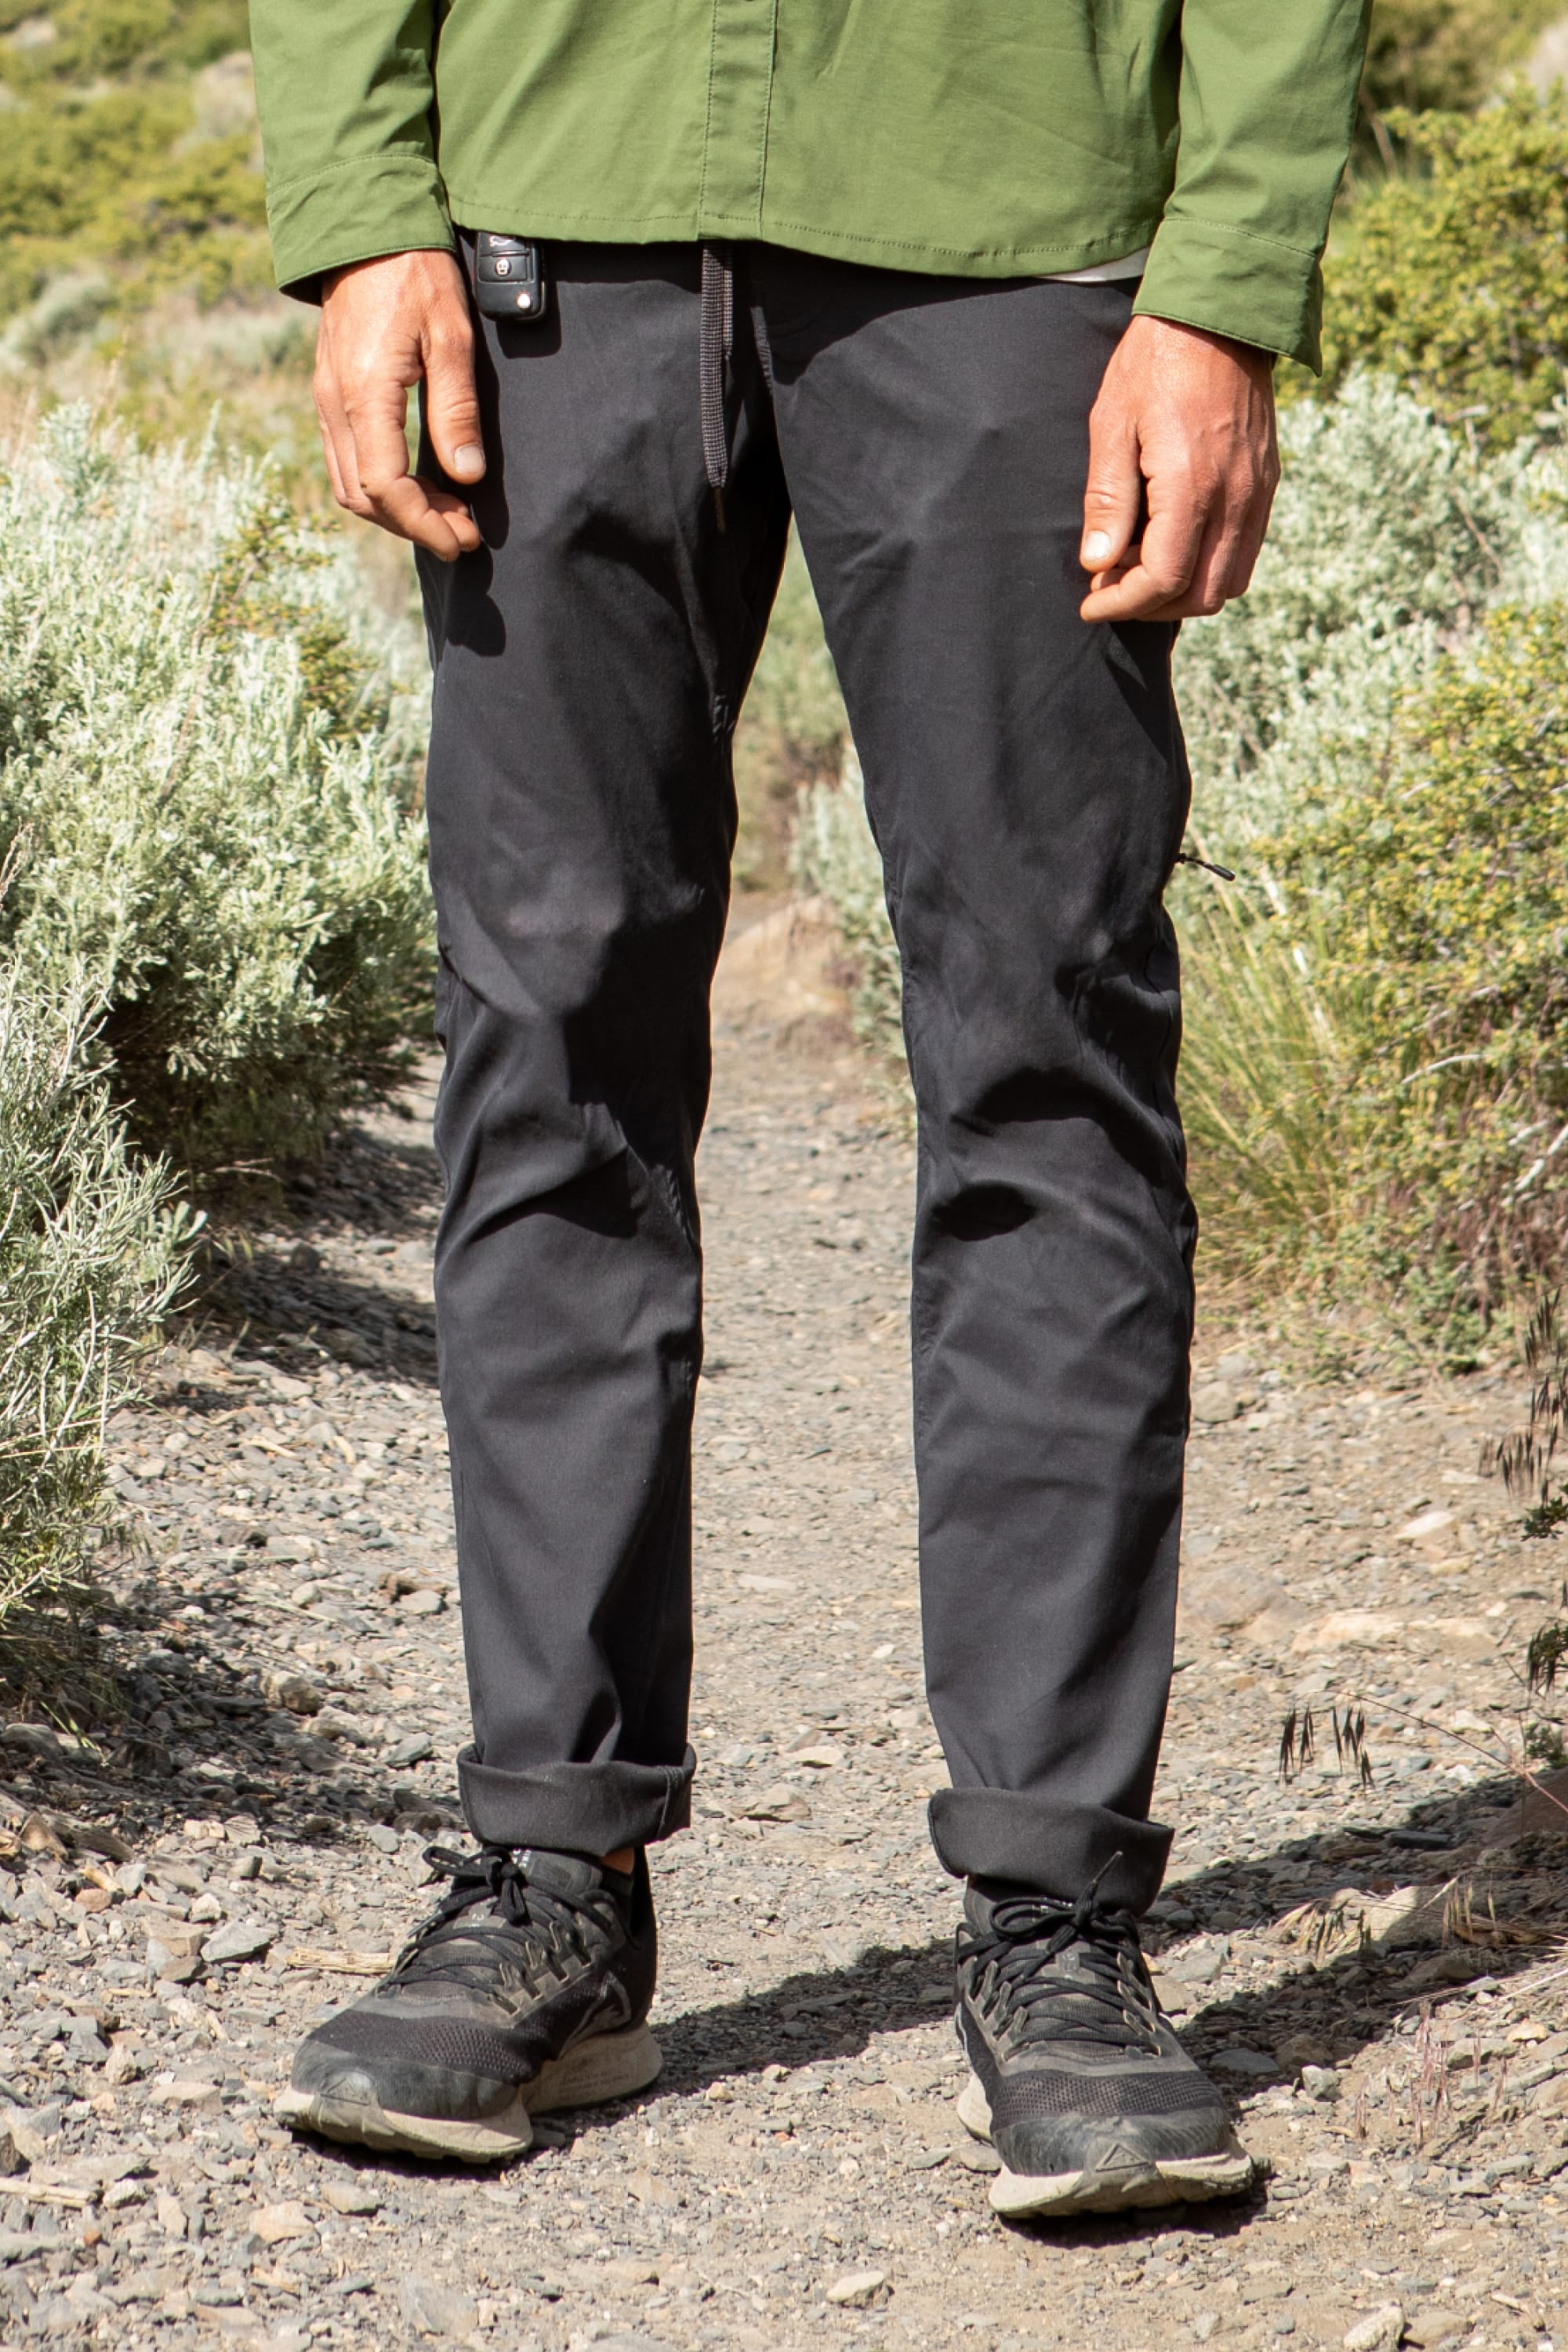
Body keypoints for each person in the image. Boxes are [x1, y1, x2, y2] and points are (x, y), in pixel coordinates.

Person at [249, 0, 1369, 2220]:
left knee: (1045, 1055)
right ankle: (554, 1875)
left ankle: (1057, 1922)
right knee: (547, 1046)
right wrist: (364, 211)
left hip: (1011, 225)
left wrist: (1225, 274)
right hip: (554, 220)